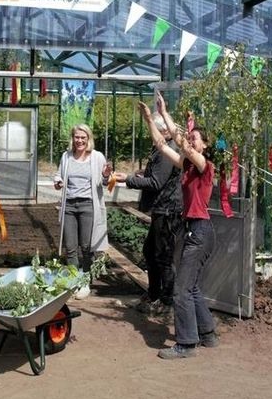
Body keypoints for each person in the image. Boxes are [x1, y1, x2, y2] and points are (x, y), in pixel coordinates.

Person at [138, 97, 219, 360]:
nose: (190, 140)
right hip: (192, 231)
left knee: (181, 289)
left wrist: (164, 112)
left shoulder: (206, 166)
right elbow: (163, 146)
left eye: (195, 138)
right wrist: (151, 120)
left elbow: (179, 141)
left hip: (201, 231)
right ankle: (207, 333)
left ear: (204, 145)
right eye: (190, 137)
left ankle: (186, 343)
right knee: (192, 287)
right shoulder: (186, 168)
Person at [113, 110, 182, 316]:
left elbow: (156, 182)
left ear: (164, 132)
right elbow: (157, 177)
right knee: (151, 252)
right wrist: (141, 174)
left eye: (155, 131)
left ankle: (166, 300)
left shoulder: (165, 152)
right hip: (162, 207)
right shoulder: (162, 150)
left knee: (162, 256)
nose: (152, 135)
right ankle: (153, 294)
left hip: (168, 209)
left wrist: (128, 179)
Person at [53, 124, 111, 299]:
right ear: (73, 138)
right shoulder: (66, 157)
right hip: (69, 206)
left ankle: (85, 280)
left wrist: (107, 174)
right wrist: (58, 181)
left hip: (88, 205)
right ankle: (73, 281)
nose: (79, 140)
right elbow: (58, 175)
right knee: (70, 247)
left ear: (88, 139)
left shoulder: (97, 157)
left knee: (86, 246)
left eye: (83, 137)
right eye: (77, 137)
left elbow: (105, 182)